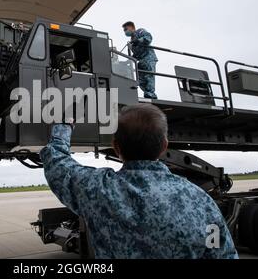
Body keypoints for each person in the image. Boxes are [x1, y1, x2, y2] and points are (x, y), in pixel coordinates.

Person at [40, 104, 238, 259]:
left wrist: (64, 126)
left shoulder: (97, 190)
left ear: (116, 147)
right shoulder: (201, 201)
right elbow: (219, 250)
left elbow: (57, 163)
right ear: (164, 146)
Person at [123, 21, 158, 99]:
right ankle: (147, 93)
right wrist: (128, 61)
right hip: (141, 61)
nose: (125, 31)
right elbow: (137, 54)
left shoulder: (140, 31)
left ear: (132, 27)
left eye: (126, 29)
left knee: (149, 76)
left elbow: (149, 38)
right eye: (124, 30)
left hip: (149, 58)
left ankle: (151, 94)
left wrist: (138, 40)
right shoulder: (132, 41)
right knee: (140, 80)